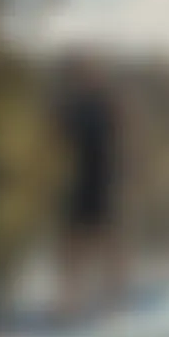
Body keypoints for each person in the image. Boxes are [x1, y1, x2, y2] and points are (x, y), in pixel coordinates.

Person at [52, 47, 132, 319]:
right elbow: (57, 135)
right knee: (71, 245)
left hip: (104, 182)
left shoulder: (107, 104)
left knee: (109, 242)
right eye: (79, 74)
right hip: (81, 183)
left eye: (88, 72)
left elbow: (124, 132)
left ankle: (114, 303)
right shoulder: (72, 108)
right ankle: (69, 304)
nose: (83, 78)